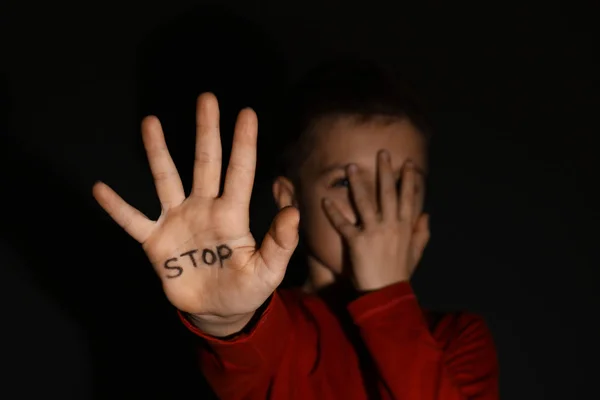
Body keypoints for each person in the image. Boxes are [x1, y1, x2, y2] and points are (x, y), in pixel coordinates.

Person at [93, 59, 498, 399]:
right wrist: (225, 319)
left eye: (398, 187)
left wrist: (388, 299)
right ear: (291, 198)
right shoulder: (279, 326)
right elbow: (246, 354)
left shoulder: (458, 338)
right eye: (344, 182)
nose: (374, 207)